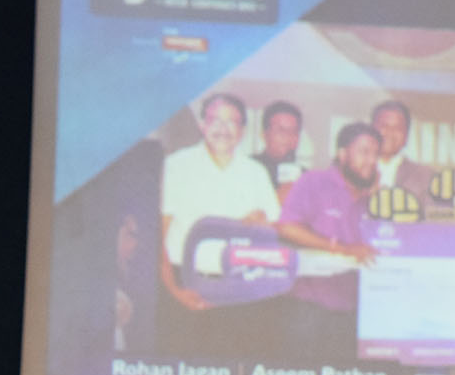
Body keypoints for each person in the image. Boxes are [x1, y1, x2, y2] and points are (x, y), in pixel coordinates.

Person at [159, 93, 280, 313]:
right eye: (215, 120)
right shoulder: (176, 166)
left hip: (239, 287)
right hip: (185, 282)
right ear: (202, 125)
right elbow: (157, 236)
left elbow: (274, 232)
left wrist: (263, 225)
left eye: (231, 122)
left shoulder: (256, 173)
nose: (223, 129)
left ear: (242, 131)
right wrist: (173, 290)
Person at [276, 121, 381, 316]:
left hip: (353, 310)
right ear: (342, 154)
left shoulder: (371, 200)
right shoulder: (314, 181)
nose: (372, 160)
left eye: (376, 154)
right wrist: (343, 248)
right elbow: (287, 228)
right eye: (364, 152)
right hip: (308, 307)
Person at [371, 99, 434, 213]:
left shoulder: (425, 176)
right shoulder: (354, 170)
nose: (390, 132)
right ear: (371, 129)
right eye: (384, 126)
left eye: (398, 128)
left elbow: (432, 218)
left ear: (406, 136)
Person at [257, 99, 304, 196]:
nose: (288, 136)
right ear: (264, 134)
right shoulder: (248, 168)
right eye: (280, 130)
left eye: (294, 131)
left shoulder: (305, 176)